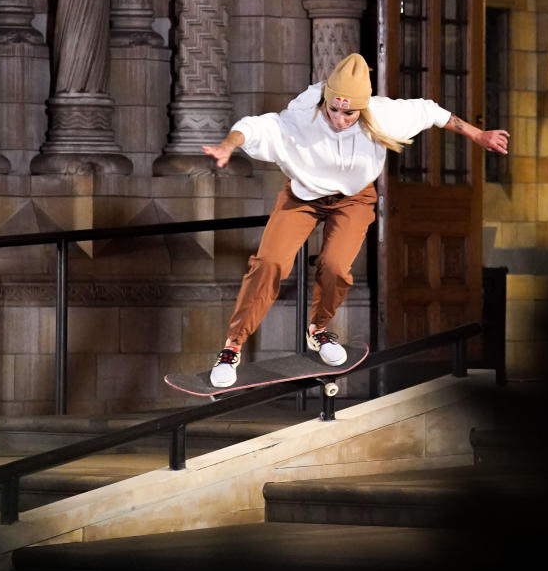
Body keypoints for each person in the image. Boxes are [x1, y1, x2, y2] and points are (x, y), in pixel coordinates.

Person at [201, 53, 509, 387]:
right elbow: (253, 128)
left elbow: (432, 112)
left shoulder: (384, 114)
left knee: (335, 267)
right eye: (334, 110)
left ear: (361, 108)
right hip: (302, 196)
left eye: (349, 113)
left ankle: (318, 329)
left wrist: (478, 135)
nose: (340, 119)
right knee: (270, 263)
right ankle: (232, 348)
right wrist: (227, 146)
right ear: (326, 101)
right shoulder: (302, 115)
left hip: (354, 199)